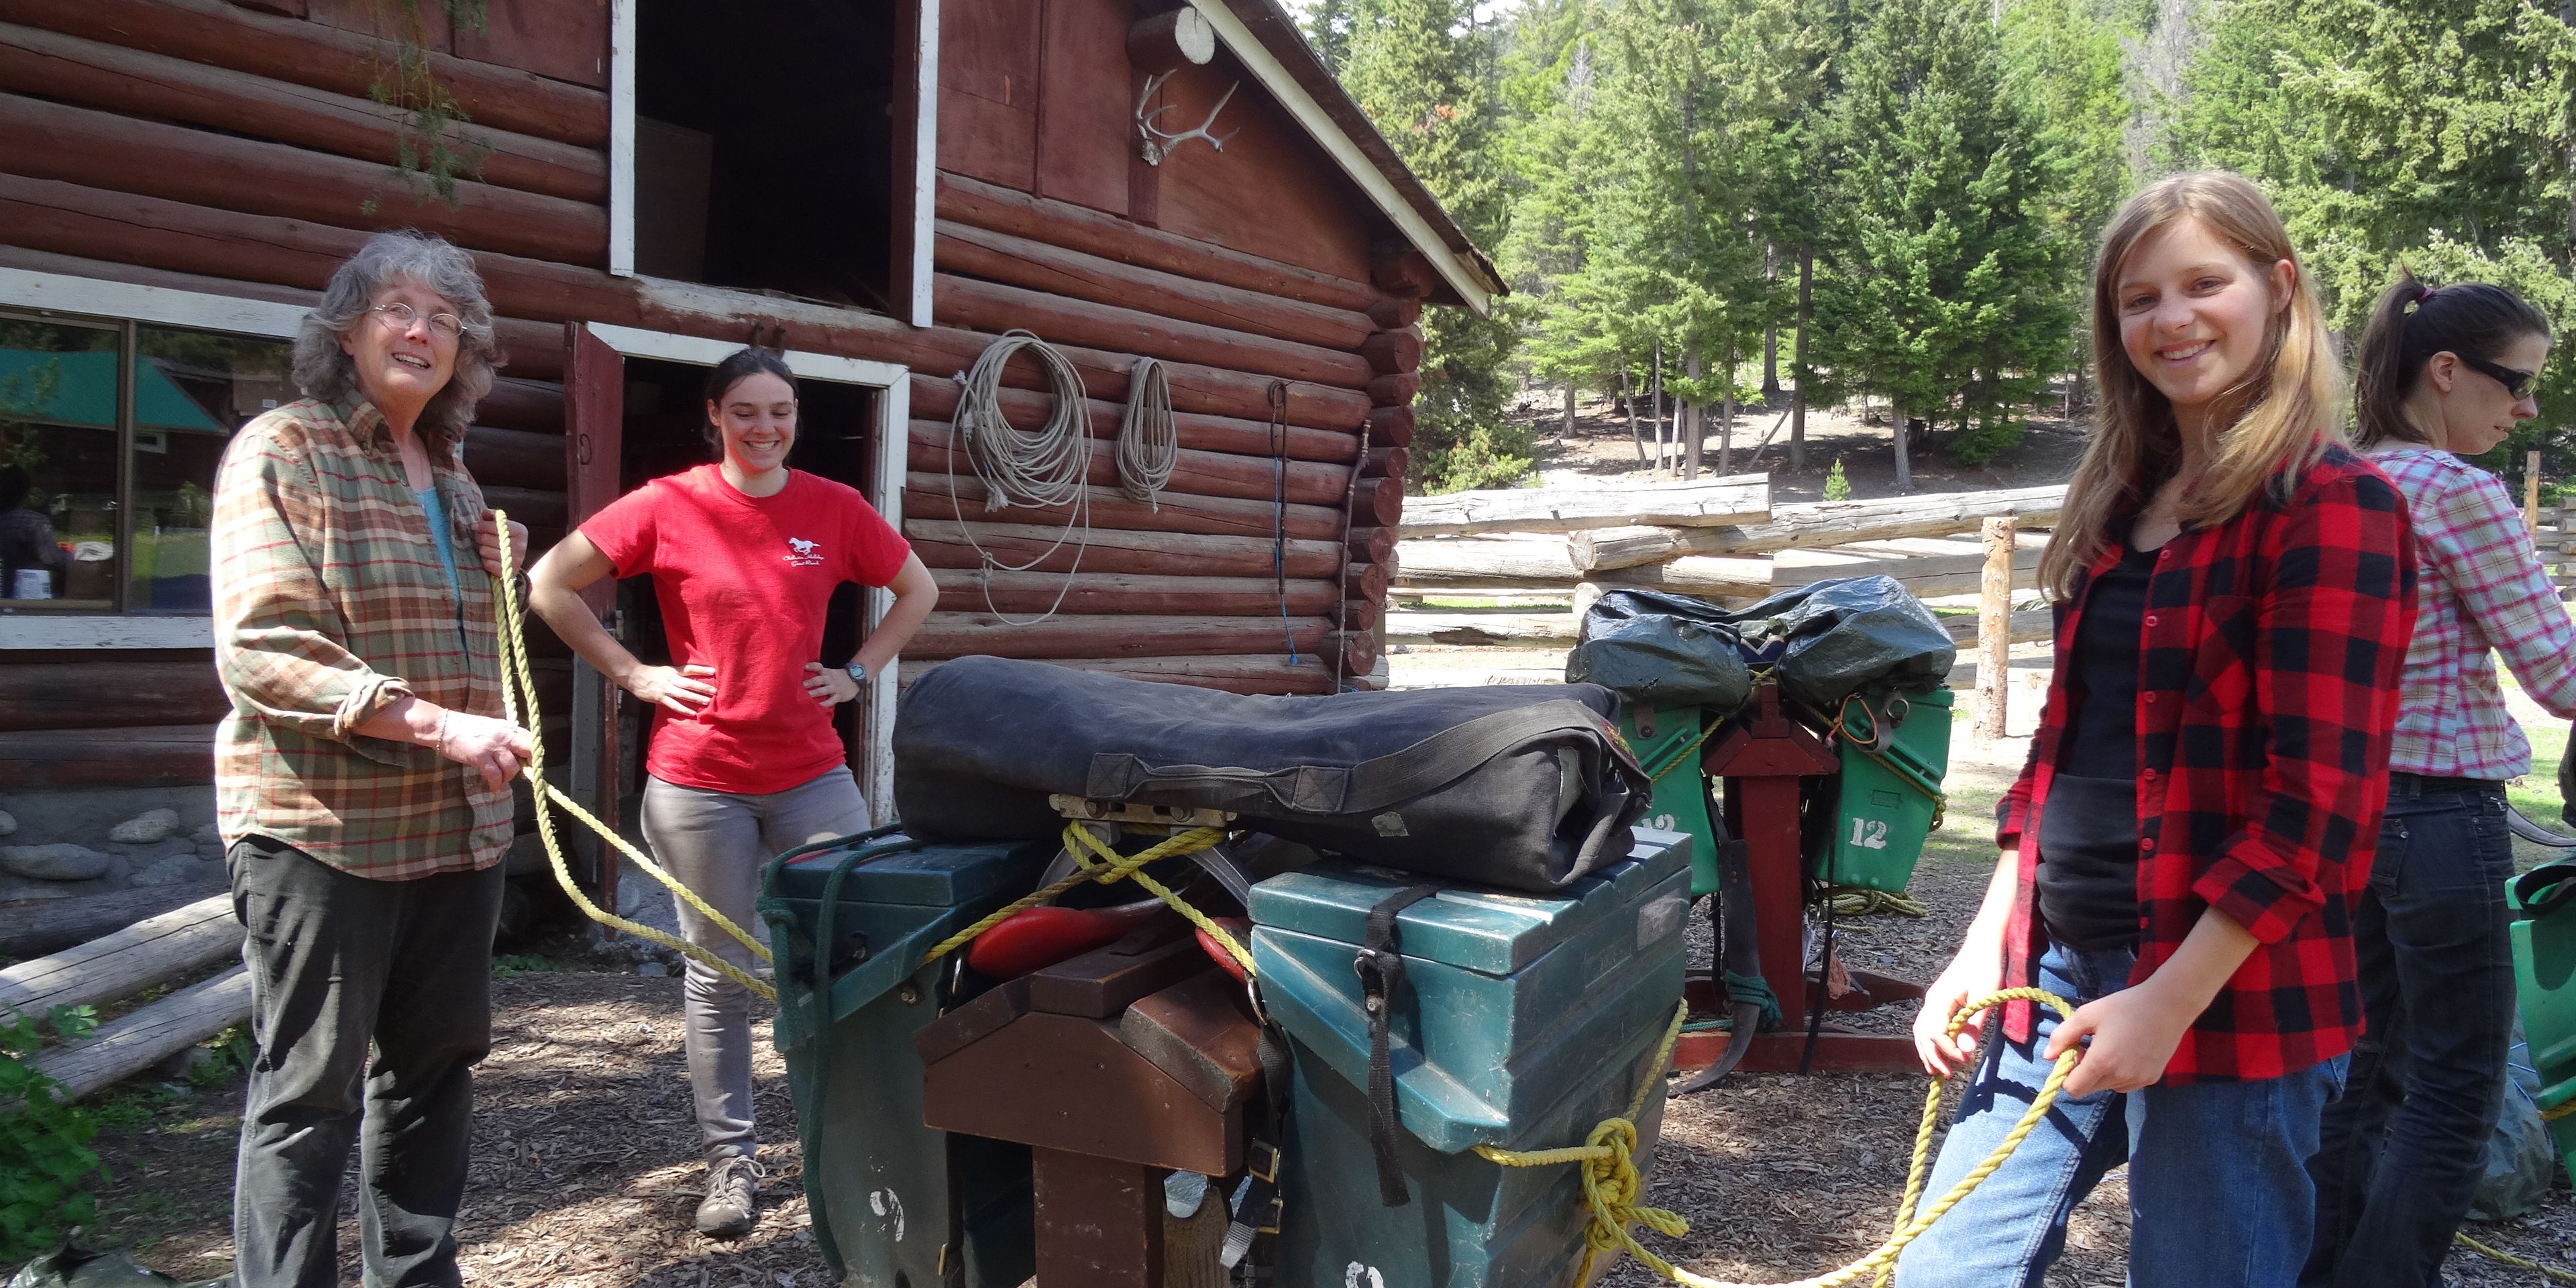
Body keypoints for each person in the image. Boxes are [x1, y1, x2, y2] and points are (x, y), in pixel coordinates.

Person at [1892, 172, 2417, 1288]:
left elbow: (2319, 811)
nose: (2171, 320)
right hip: (2058, 969)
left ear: (2279, 290)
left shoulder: (2334, 507)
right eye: (2140, 299)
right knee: (1945, 1270)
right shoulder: (2119, 503)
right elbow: (2056, 768)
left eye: (2203, 284)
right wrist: (1983, 947)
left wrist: (2168, 999)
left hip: (2233, 998)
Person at [525, 346, 937, 1239]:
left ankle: (854, 1146)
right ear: (714, 416)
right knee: (717, 976)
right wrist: (633, 673)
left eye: (781, 411)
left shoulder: (834, 507)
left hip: (813, 776)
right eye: (746, 411)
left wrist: (858, 672)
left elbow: (917, 588)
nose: (765, 428)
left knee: (850, 954)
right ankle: (732, 1170)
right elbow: (549, 584)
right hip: (698, 782)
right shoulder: (668, 505)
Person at [210, 230, 534, 1288]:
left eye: (446, 320)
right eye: (400, 308)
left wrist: (496, 576)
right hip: (324, 832)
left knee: (433, 1079)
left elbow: (469, 653)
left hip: (455, 832)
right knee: (308, 1093)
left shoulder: (454, 480)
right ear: (347, 330)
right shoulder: (284, 447)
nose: (422, 331)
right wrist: (443, 727)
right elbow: (264, 650)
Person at [2303, 275, 2563, 1287]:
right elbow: (2558, 673)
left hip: (2345, 816)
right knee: (2455, 1094)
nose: (2527, 408)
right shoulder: (2459, 490)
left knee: (2359, 1079)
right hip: (2444, 820)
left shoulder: (2341, 473)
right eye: (2518, 383)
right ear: (2445, 372)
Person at [0, 464, 65, 598]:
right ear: (25, 491)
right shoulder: (34, 522)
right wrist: (75, 556)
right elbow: (52, 559)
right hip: (26, 598)